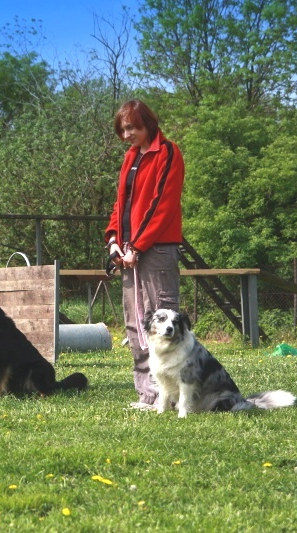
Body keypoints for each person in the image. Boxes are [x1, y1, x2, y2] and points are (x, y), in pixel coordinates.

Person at [105, 99, 185, 409]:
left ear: (147, 125)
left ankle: (175, 394)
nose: (127, 135)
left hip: (156, 249)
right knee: (135, 323)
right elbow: (120, 205)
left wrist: (137, 245)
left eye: (132, 128)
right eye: (123, 130)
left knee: (164, 319)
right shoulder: (130, 158)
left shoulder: (167, 153)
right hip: (127, 252)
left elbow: (161, 205)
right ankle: (149, 395)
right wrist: (114, 239)